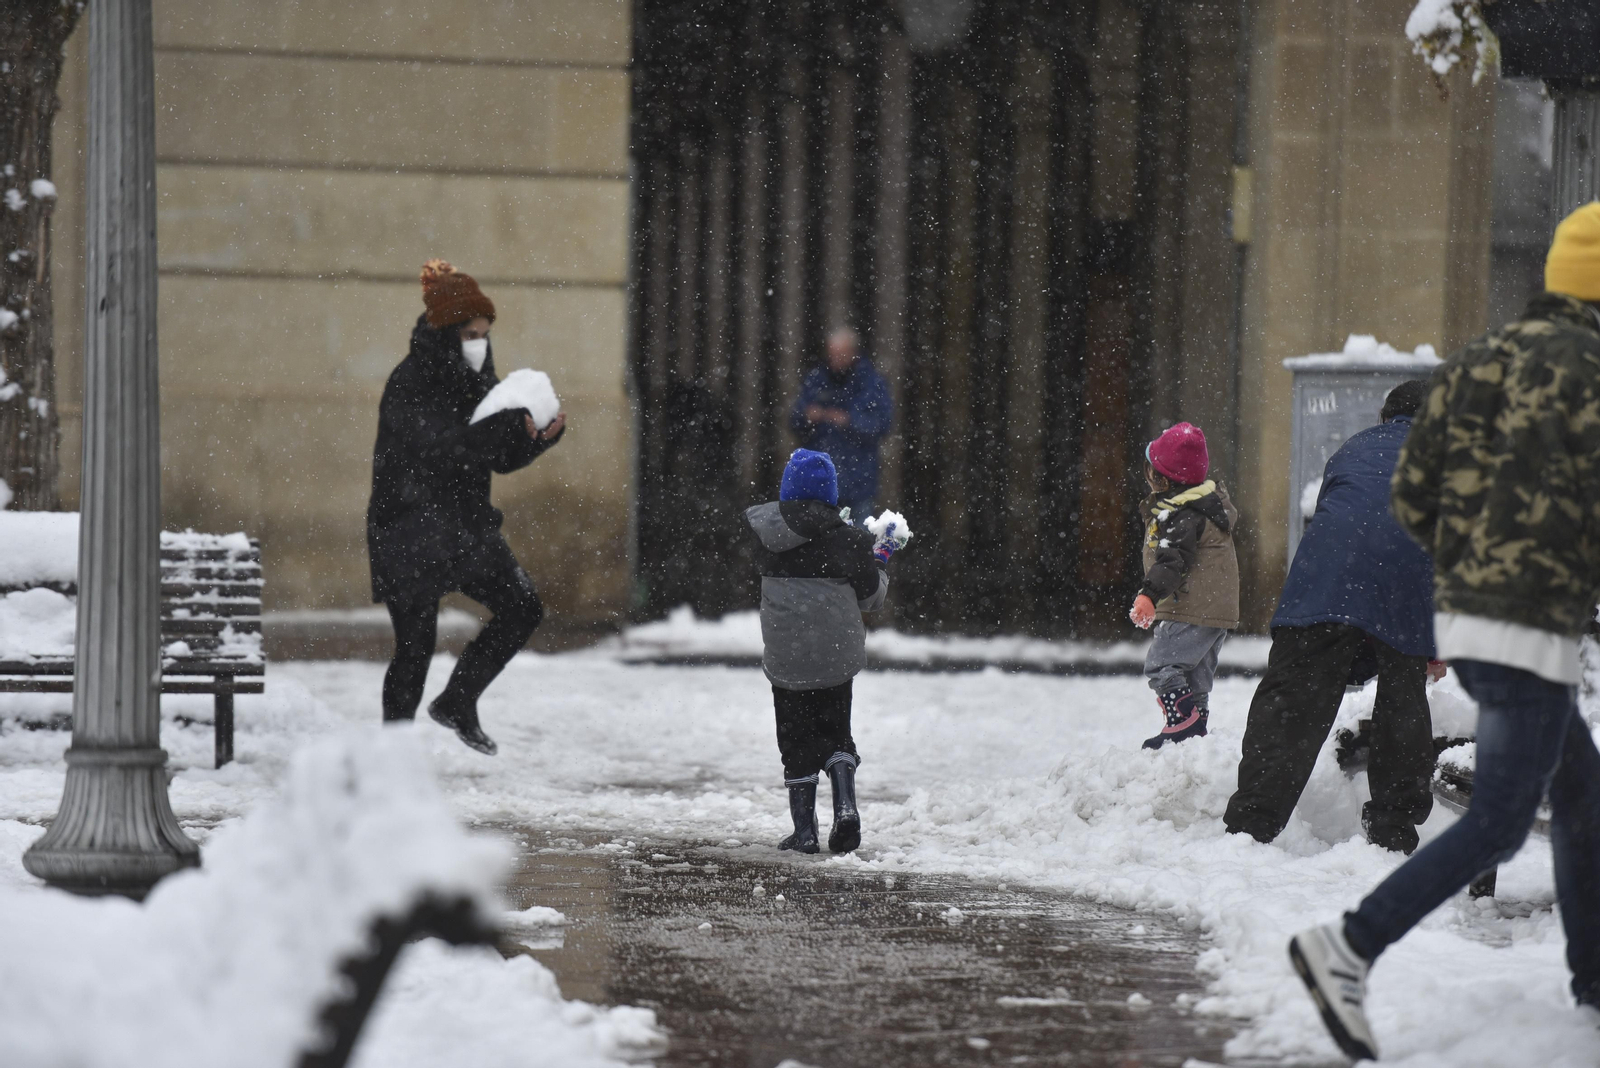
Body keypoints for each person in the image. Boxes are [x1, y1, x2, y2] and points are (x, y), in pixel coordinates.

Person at [1289, 203, 1600, 1062]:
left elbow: (1417, 500)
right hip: (1534, 622)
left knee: (1580, 795)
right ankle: (1347, 946)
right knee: (1501, 822)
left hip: (1468, 615)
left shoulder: (1476, 368)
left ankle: (1592, 985)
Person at [1225, 380, 1438, 854]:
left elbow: (1337, 516)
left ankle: (1250, 825)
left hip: (1324, 578)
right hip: (1406, 579)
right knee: (1403, 699)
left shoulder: (1353, 447)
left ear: (1387, 416)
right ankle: (1392, 832)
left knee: (1291, 701)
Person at [366, 259, 567, 755]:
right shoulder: (410, 381)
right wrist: (494, 429)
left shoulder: (479, 380)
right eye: (471, 332)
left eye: (485, 333)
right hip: (409, 531)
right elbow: (442, 451)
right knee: (414, 648)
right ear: (448, 332)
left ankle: (458, 699)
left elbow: (495, 458)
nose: (480, 341)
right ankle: (392, 759)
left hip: (464, 529)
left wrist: (535, 440)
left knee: (522, 609)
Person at [744, 448, 903, 855]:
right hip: (836, 658)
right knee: (836, 735)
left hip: (786, 661)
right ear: (831, 495)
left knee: (795, 743)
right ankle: (846, 808)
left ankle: (804, 831)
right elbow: (872, 600)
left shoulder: (764, 539)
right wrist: (880, 556)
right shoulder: (850, 541)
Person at [1129, 422, 1241, 750]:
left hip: (1190, 608)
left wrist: (1149, 594)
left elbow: (1172, 561)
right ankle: (1195, 735)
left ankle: (1182, 726)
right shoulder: (1204, 504)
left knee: (1162, 665)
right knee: (1195, 677)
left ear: (1162, 478)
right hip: (1214, 611)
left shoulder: (1182, 514)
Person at [789, 328, 893, 521]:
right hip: (818, 486)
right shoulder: (816, 379)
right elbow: (795, 419)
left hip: (858, 485)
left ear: (854, 352)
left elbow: (882, 424)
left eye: (841, 353)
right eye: (832, 353)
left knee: (856, 543)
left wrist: (849, 421)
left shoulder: (871, 383)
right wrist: (808, 417)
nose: (835, 358)